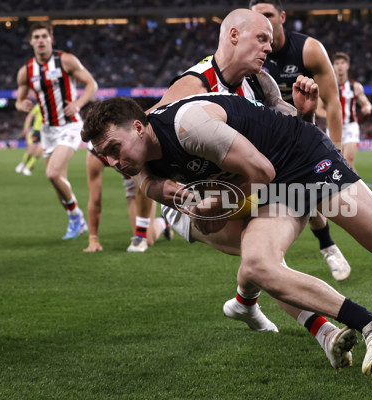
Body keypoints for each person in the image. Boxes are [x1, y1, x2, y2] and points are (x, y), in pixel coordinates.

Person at [82, 93, 372, 373]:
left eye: (114, 149)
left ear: (139, 127)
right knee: (257, 263)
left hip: (301, 161)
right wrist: (189, 201)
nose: (113, 162)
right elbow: (162, 191)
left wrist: (220, 200)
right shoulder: (143, 168)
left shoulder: (188, 125)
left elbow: (261, 171)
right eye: (104, 157)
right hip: (273, 189)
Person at [149, 9, 356, 370]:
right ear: (233, 36)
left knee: (261, 257)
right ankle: (322, 331)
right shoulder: (192, 87)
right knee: (260, 257)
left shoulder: (260, 83)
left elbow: (289, 136)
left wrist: (305, 116)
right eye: (260, 39)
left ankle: (246, 305)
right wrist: (157, 189)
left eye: (269, 39)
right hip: (195, 198)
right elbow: (142, 141)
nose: (268, 47)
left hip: (240, 185)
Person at [250, 0, 351, 281]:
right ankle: (321, 249)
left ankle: (327, 247)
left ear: (282, 16)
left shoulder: (309, 49)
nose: (265, 23)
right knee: (282, 201)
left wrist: (337, 149)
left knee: (309, 197)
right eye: (258, 18)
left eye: (269, 15)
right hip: (262, 139)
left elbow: (332, 103)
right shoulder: (247, 53)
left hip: (301, 133)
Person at [15, 21, 97, 240]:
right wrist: (21, 104)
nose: (41, 40)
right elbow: (19, 98)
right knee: (58, 182)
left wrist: (78, 104)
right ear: (31, 41)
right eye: (36, 37)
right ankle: (75, 220)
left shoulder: (66, 60)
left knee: (51, 173)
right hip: (48, 130)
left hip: (70, 125)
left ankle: (76, 216)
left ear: (51, 38)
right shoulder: (26, 71)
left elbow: (92, 85)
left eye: (44, 36)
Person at [84, 141, 171, 253]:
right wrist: (93, 239)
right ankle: (165, 221)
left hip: (145, 176)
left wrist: (140, 234)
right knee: (149, 239)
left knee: (146, 238)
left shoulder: (132, 142)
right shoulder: (94, 155)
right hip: (130, 179)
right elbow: (95, 200)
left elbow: (144, 185)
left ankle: (152, 227)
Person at [317, 52, 372, 169]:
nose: (340, 66)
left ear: (347, 66)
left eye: (342, 63)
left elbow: (366, 103)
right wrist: (333, 116)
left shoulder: (355, 87)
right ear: (333, 66)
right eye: (337, 63)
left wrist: (367, 107)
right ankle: (344, 186)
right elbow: (318, 109)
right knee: (337, 163)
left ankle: (353, 187)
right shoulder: (327, 86)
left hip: (350, 126)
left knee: (349, 159)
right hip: (333, 128)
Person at [15, 103, 43, 176]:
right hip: (37, 131)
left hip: (46, 132)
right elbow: (30, 116)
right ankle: (23, 163)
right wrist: (26, 127)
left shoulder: (53, 107)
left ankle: (27, 167)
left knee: (39, 151)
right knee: (31, 151)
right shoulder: (38, 106)